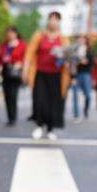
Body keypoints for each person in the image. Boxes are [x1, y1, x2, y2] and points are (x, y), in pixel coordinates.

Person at [24, 11, 69, 140]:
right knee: (39, 100)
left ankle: (50, 129)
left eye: (56, 19)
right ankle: (39, 125)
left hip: (56, 76)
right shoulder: (39, 35)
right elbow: (30, 52)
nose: (53, 22)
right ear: (48, 21)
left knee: (53, 103)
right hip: (40, 73)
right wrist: (25, 70)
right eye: (51, 19)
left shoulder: (63, 39)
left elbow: (69, 57)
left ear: (59, 22)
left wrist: (64, 58)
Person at [0, 26, 25, 126]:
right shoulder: (4, 45)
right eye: (8, 33)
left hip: (16, 72)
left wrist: (20, 63)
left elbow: (26, 57)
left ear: (16, 33)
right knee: (7, 95)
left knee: (13, 95)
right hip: (6, 71)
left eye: (11, 33)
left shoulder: (22, 44)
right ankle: (10, 117)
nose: (9, 35)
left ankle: (14, 117)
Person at [70, 34, 95, 123]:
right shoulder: (74, 51)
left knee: (88, 95)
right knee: (75, 96)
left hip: (86, 75)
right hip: (77, 75)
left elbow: (93, 63)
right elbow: (72, 65)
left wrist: (86, 62)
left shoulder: (89, 51)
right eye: (80, 39)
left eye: (83, 39)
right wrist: (72, 77)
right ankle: (76, 115)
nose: (81, 41)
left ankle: (85, 110)